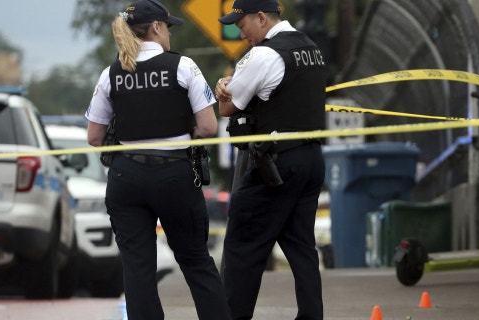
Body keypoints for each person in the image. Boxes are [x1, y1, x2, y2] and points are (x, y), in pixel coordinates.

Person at [85, 1, 230, 319]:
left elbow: (94, 137)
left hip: (126, 178)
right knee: (195, 261)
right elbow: (207, 127)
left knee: (137, 268)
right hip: (174, 175)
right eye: (168, 27)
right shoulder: (183, 66)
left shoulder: (112, 73)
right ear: (155, 28)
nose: (170, 34)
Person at [215, 0, 327, 319]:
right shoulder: (311, 47)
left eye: (242, 25)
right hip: (310, 158)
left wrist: (223, 86)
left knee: (242, 246)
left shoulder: (264, 54)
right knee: (302, 247)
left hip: (275, 164)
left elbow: (227, 107)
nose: (241, 34)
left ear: (261, 18)